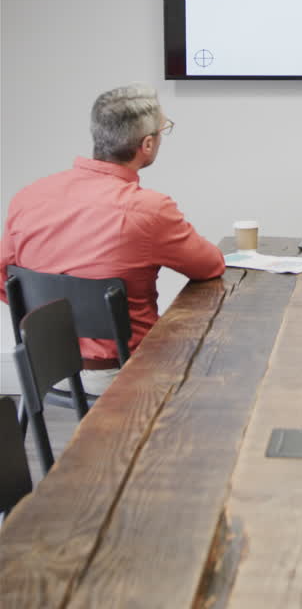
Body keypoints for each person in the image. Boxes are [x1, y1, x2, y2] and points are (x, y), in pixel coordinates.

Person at [0, 84, 226, 393]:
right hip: (122, 375)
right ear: (147, 144)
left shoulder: (29, 196)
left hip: (43, 368)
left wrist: (52, 323)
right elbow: (209, 266)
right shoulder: (149, 210)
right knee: (219, 368)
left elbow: (4, 277)